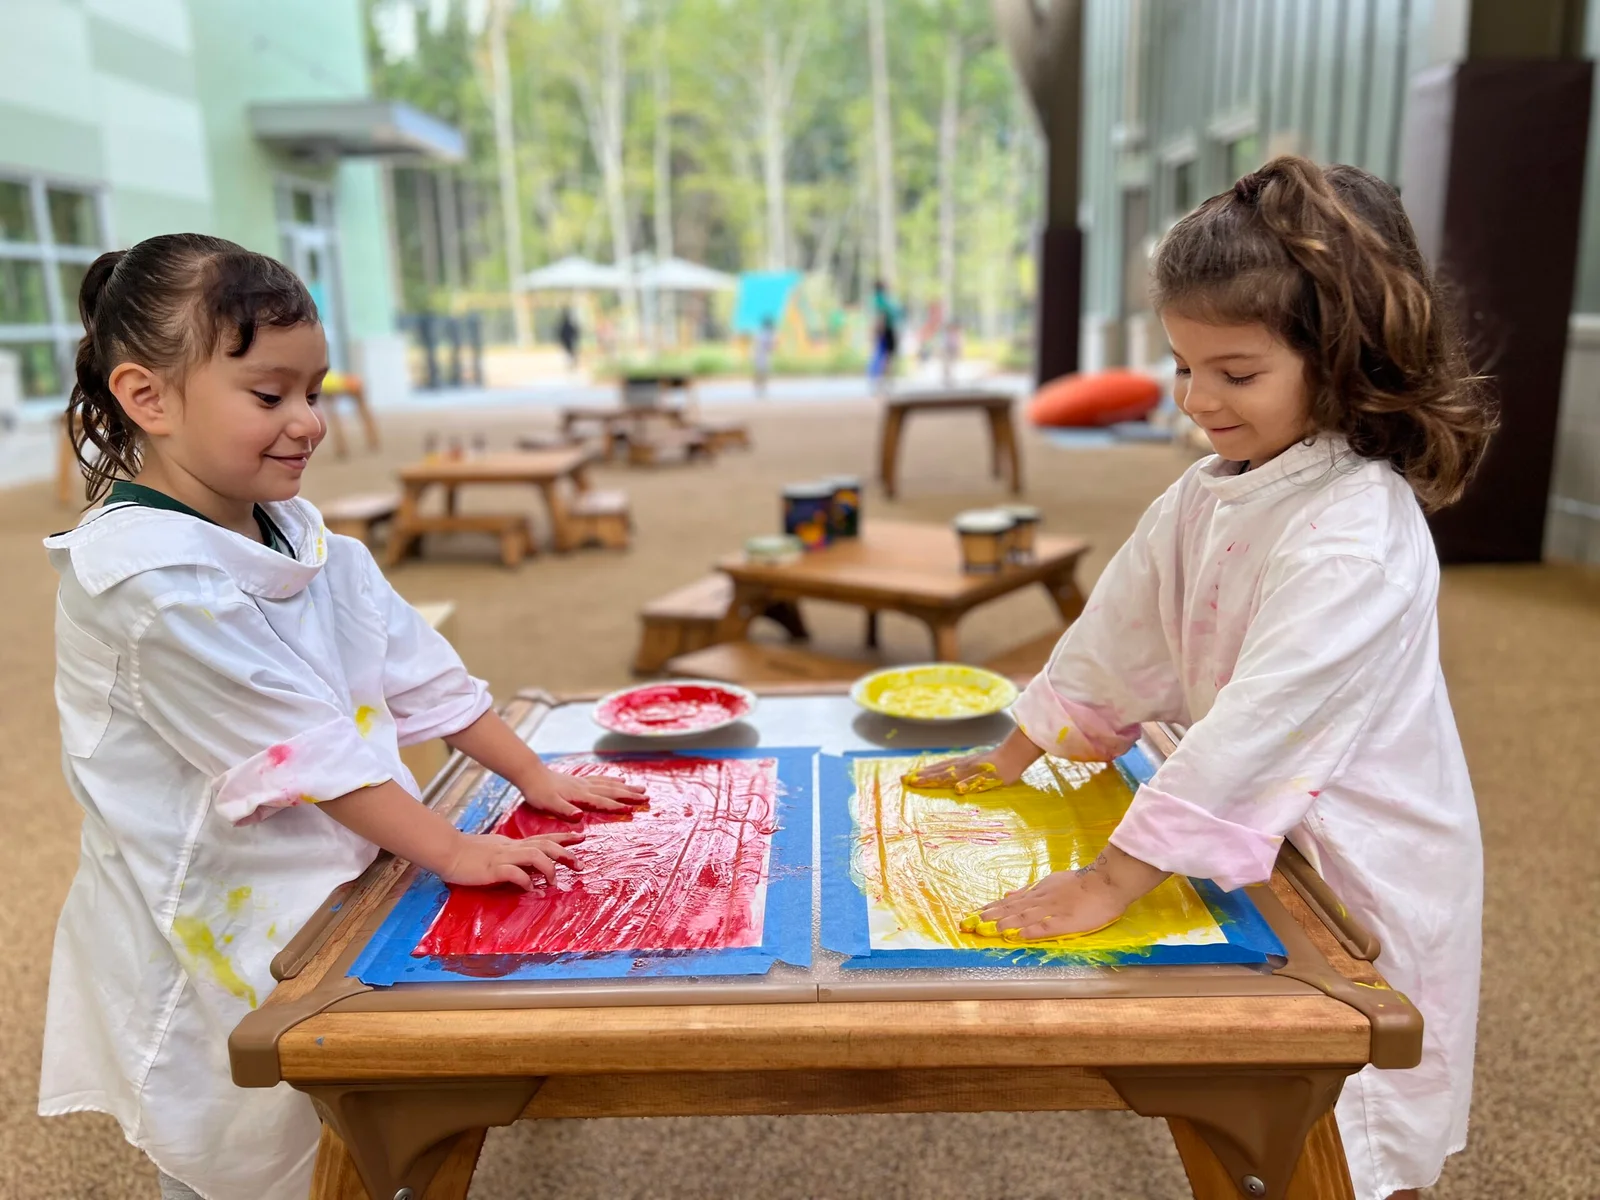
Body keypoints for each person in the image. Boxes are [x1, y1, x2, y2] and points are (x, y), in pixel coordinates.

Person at [904, 157, 1491, 1200]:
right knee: (1241, 1080)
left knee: (1346, 1111)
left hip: (1360, 851)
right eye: (1182, 367)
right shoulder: (1207, 489)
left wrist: (1108, 881)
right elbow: (1120, 623)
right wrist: (1015, 751)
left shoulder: (1354, 536)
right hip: (1245, 820)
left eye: (1234, 373)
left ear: (1342, 359)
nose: (1193, 403)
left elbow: (1259, 726)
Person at [40, 233, 649, 1200]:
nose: (308, 422)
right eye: (268, 395)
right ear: (147, 398)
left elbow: (422, 669)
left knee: (356, 1109)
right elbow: (307, 751)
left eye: (313, 392)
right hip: (215, 892)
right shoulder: (145, 583)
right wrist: (451, 850)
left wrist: (532, 776)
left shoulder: (298, 532)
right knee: (241, 1129)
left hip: (333, 854)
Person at [868, 278, 900, 396]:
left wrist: (875, 332)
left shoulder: (879, 299)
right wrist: (879, 331)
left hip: (885, 331)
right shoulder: (882, 299)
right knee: (886, 357)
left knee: (884, 357)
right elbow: (881, 316)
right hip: (886, 331)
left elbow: (881, 316)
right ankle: (885, 383)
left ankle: (883, 383)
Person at [752, 315, 776, 397]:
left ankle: (759, 388)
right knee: (763, 372)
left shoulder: (760, 333)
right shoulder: (767, 333)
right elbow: (768, 346)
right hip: (762, 355)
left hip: (759, 354)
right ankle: (761, 388)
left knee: (760, 372)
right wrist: (773, 346)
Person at [556, 305, 580, 370]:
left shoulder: (567, 325)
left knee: (570, 352)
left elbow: (574, 332)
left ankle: (572, 363)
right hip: (568, 340)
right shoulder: (566, 325)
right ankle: (571, 363)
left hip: (569, 340)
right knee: (569, 352)